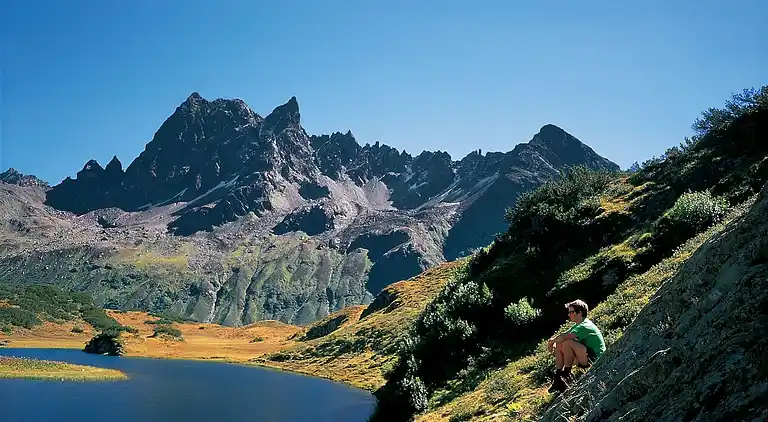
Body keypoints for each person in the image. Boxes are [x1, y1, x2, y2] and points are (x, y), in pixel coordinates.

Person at [546, 299, 606, 393]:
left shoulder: (585, 325)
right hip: (585, 355)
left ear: (580, 312)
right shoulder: (577, 326)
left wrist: (551, 342)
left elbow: (564, 337)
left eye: (571, 312)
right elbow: (560, 339)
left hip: (596, 357)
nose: (569, 314)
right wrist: (553, 344)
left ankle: (566, 375)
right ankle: (558, 377)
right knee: (560, 343)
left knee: (567, 342)